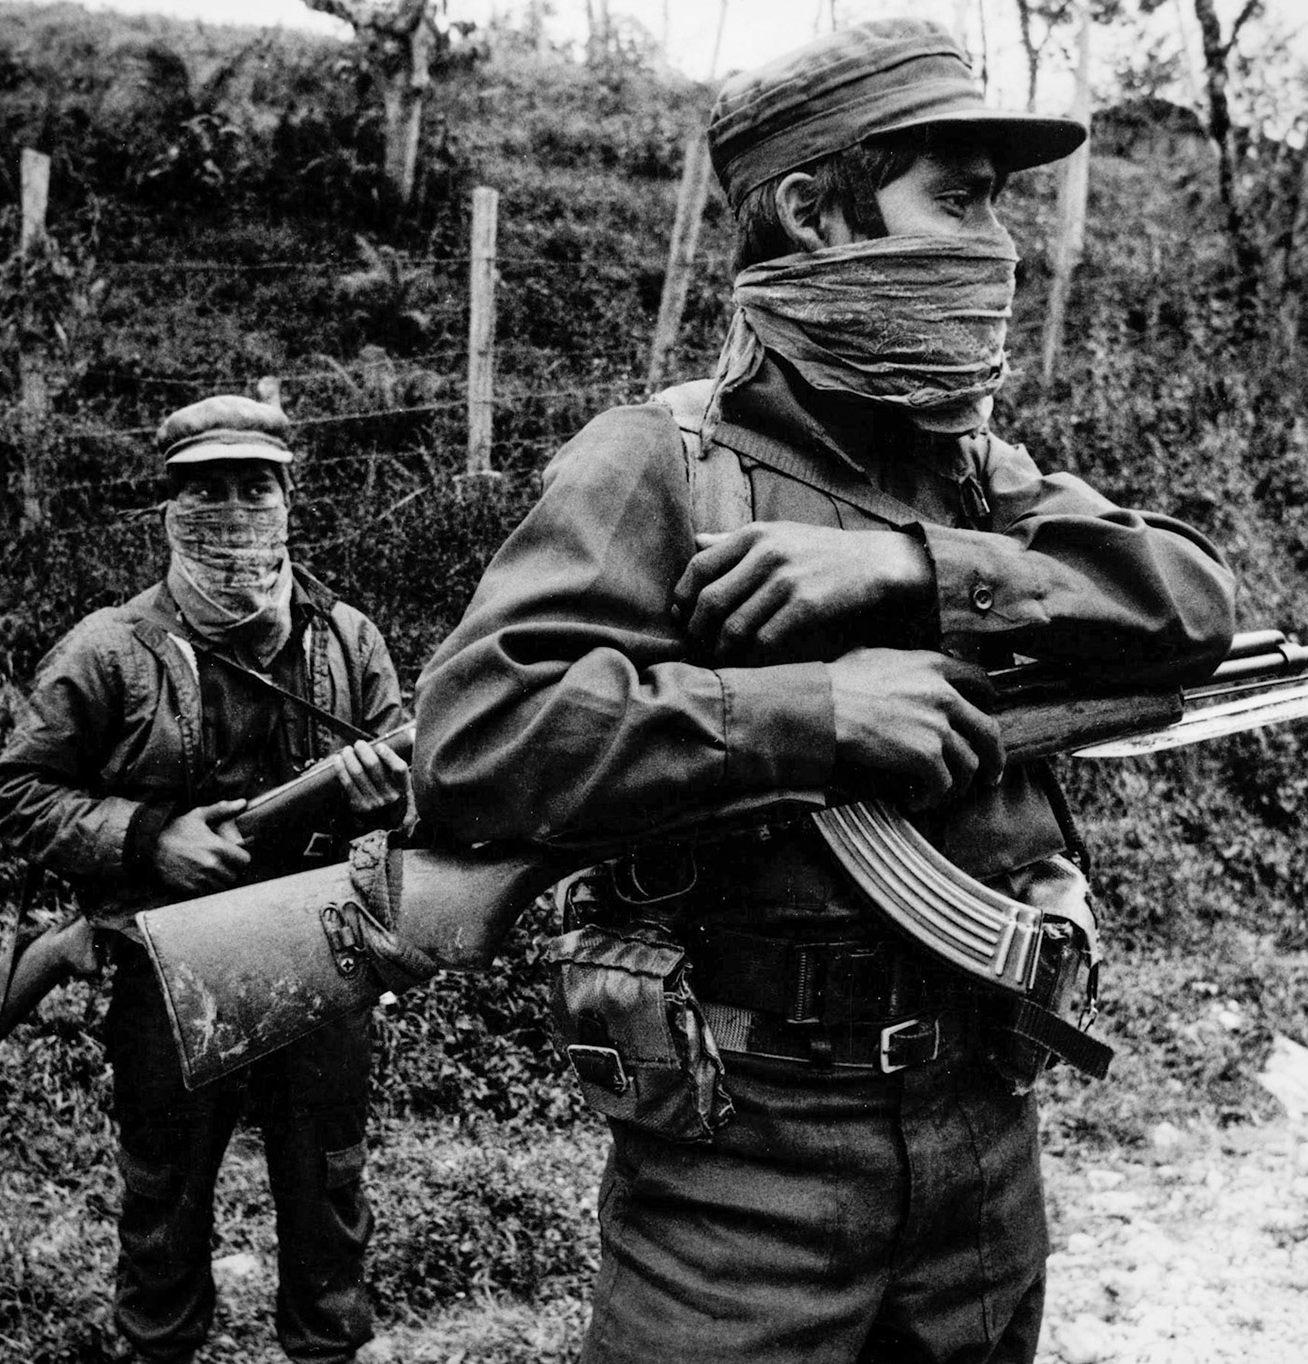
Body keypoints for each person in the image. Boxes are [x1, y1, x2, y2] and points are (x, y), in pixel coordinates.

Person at [411, 19, 1238, 1364]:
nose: (998, 250)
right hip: (744, 1171)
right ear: (810, 211)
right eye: (956, 202)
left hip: (982, 1133)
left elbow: (1191, 607)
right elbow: (478, 737)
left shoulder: (972, 475)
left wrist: (908, 569)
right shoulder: (657, 467)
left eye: (997, 210)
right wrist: (817, 716)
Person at [0, 394, 409, 1364]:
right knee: (164, 1196)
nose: (231, 510)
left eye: (252, 485)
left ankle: (328, 1346)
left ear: (288, 497)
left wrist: (387, 799)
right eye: (205, 489)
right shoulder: (110, 647)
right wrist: (149, 836)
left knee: (327, 1185)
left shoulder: (349, 641)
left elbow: (413, 812)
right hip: (167, 969)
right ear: (169, 508)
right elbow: (14, 794)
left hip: (318, 955)